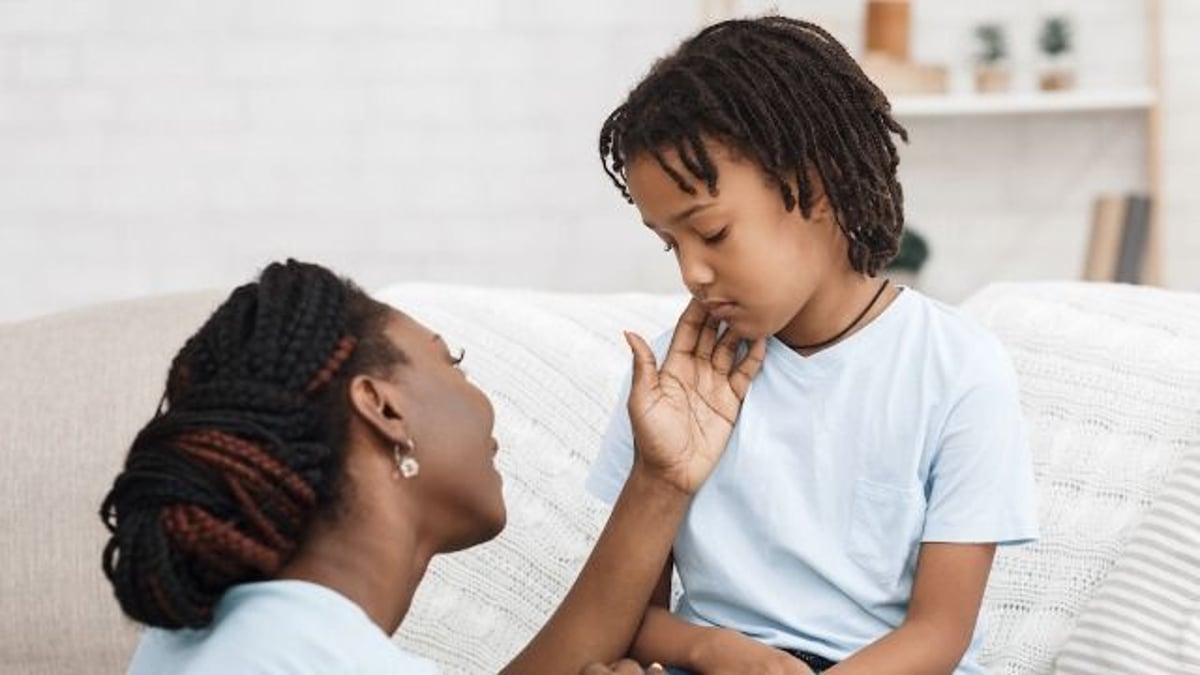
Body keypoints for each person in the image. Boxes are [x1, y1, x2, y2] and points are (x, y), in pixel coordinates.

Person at [590, 16, 1039, 674]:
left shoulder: (957, 368)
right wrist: (714, 649)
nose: (691, 272)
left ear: (818, 184)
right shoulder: (670, 383)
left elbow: (940, 631)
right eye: (670, 244)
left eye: (711, 233)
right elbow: (632, 614)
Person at [99, 259, 766, 674]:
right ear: (383, 407)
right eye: (454, 362)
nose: (481, 401)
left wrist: (661, 478)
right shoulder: (318, 655)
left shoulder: (227, 636)